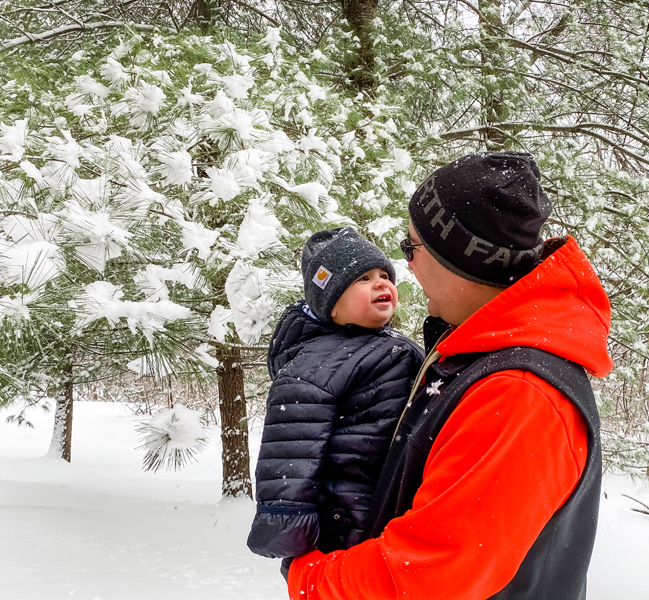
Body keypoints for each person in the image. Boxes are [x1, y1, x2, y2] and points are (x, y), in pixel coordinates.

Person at [285, 153, 614, 600]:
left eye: (412, 248)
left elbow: (425, 575)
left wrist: (309, 579)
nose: (407, 266)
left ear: (461, 260)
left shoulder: (518, 394)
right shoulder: (476, 351)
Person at [247, 227, 423, 566]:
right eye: (363, 279)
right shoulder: (317, 363)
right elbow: (292, 446)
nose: (380, 284)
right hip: (347, 518)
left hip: (393, 500)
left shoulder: (394, 345)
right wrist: (287, 523)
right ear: (331, 306)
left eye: (384, 275)